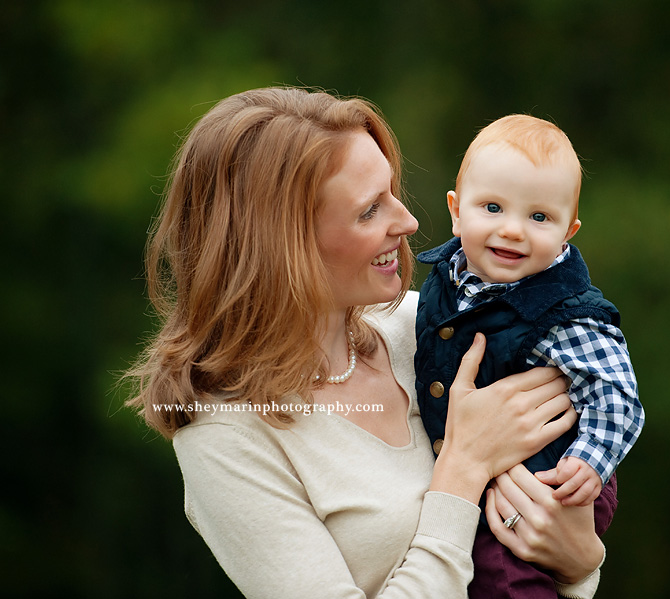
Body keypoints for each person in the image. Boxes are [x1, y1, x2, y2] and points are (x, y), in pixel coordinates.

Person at [125, 88, 606, 599]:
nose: (408, 222)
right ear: (283, 244)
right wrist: (463, 468)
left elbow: (561, 503)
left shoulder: (431, 327)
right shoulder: (226, 435)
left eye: (392, 193)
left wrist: (581, 563)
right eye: (369, 210)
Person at [414, 114, 644, 598]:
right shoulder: (447, 285)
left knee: (504, 574)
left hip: (556, 476)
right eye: (493, 207)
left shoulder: (567, 315)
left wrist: (588, 462)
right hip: (490, 475)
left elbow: (616, 392)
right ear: (457, 212)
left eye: (539, 217)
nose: (513, 230)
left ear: (568, 231)